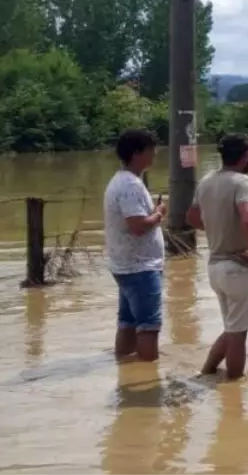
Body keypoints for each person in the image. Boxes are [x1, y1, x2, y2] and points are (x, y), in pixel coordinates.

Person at [187, 134, 248, 379]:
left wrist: (216, 227)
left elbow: (192, 218)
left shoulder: (206, 182)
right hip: (237, 267)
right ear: (246, 156)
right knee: (238, 333)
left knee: (232, 328)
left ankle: (207, 371)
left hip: (215, 267)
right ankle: (234, 387)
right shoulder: (242, 182)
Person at [103, 128, 165, 362]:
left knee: (128, 323)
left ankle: (126, 369)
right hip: (140, 267)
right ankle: (149, 381)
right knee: (149, 327)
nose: (155, 154)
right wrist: (158, 214)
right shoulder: (131, 185)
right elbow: (138, 226)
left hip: (126, 264)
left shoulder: (121, 181)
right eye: (151, 149)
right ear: (138, 153)